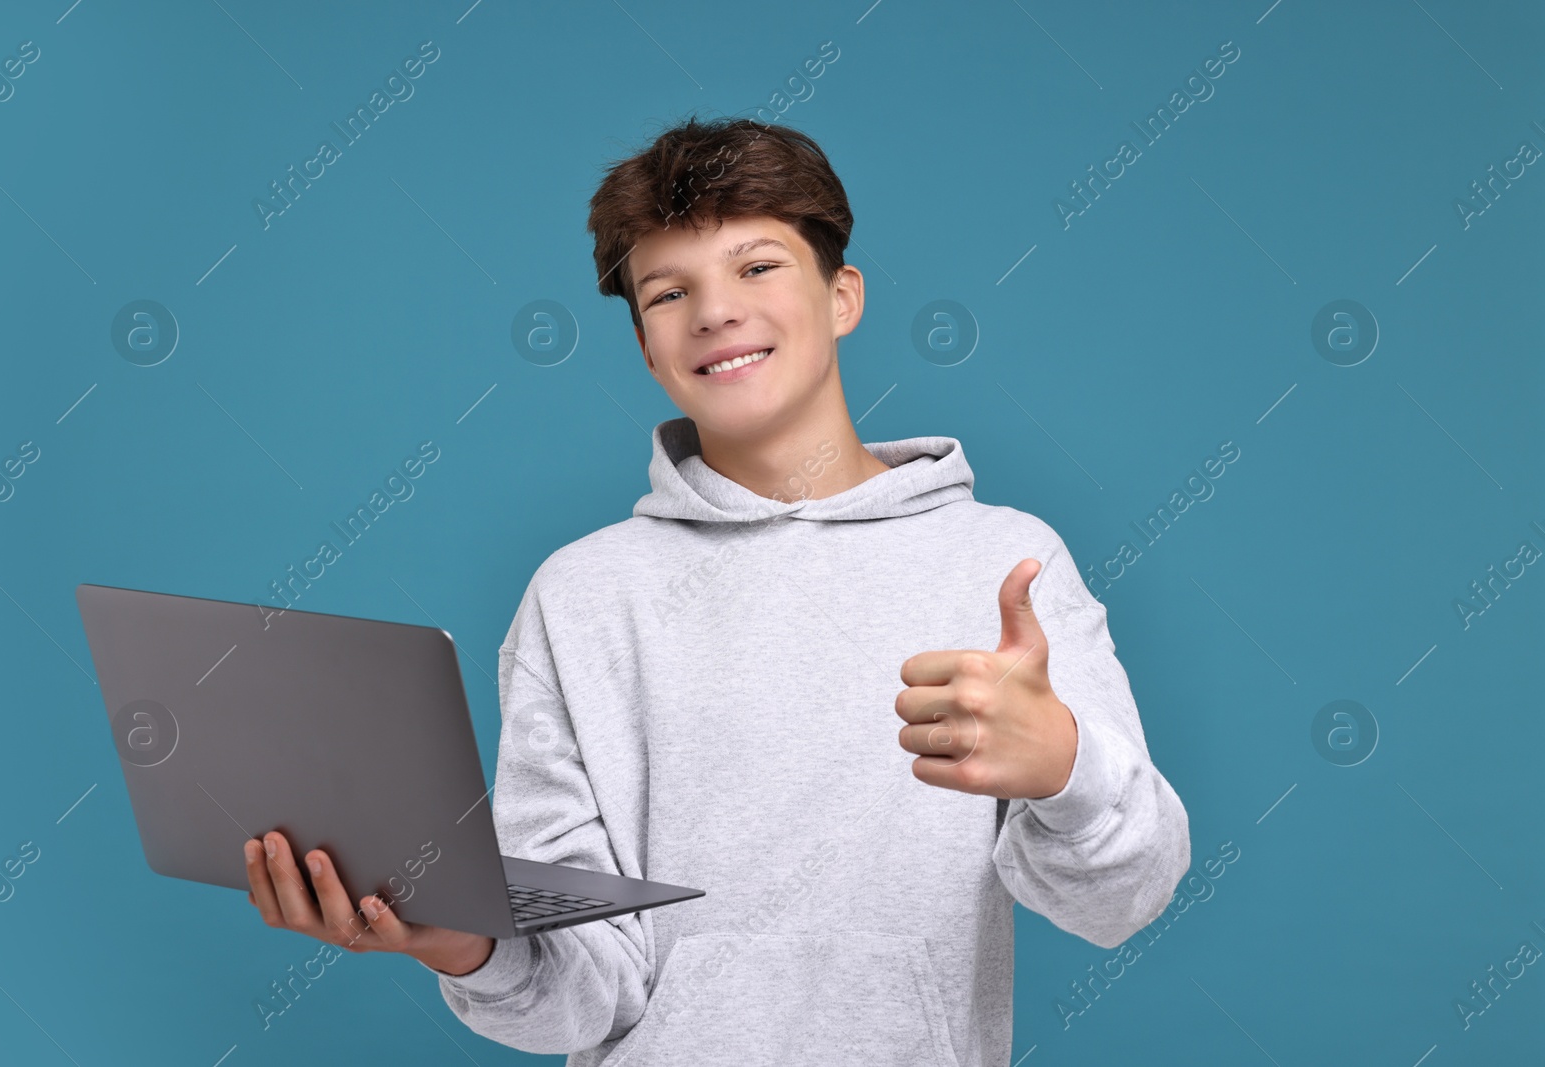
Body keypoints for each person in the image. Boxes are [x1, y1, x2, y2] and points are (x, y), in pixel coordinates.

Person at [243, 113, 1190, 1066]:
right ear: (648, 348)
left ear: (843, 295)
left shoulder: (1004, 565)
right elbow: (579, 995)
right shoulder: (580, 598)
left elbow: (1125, 897)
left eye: (758, 266)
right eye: (669, 291)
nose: (715, 312)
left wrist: (1068, 764)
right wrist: (456, 938)